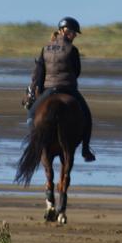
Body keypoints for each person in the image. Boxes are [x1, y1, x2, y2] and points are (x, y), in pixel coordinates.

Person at [25, 17, 96, 162]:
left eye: (75, 33)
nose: (74, 35)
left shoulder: (45, 48)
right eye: (72, 32)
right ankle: (85, 149)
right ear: (62, 31)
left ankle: (35, 144)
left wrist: (41, 89)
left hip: (49, 90)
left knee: (32, 115)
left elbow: (40, 73)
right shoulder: (72, 49)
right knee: (87, 116)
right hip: (68, 89)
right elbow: (77, 71)